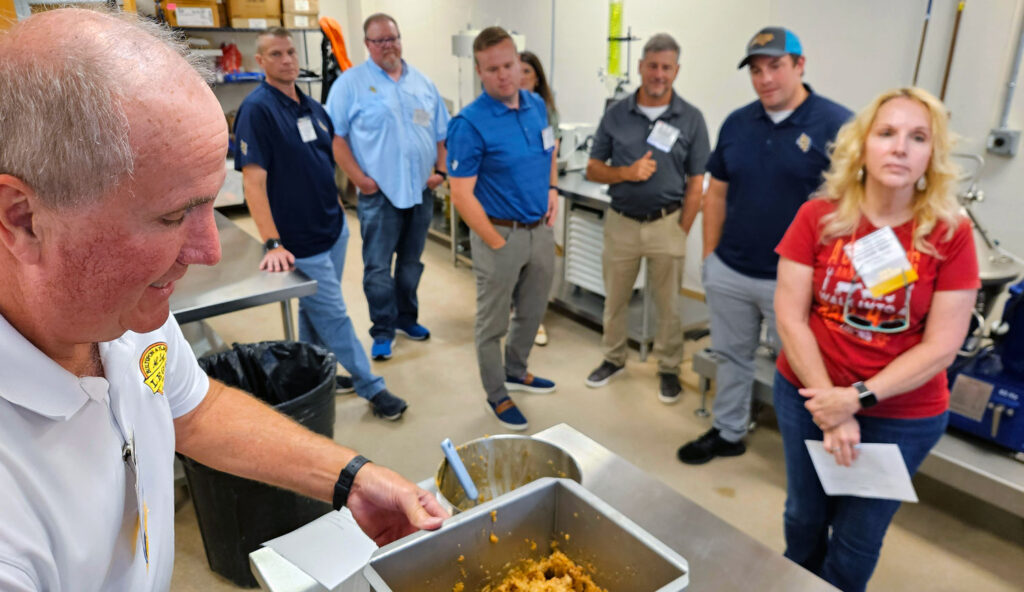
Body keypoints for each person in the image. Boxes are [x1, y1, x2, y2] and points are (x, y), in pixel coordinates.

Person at [0, 10, 446, 590]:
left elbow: (194, 410)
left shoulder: (122, 315)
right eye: (172, 215)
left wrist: (350, 477)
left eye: (209, 204)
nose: (209, 249)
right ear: (23, 218)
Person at [773, 87, 978, 592]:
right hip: (808, 397)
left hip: (902, 417)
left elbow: (942, 346)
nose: (900, 147)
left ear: (933, 155)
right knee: (803, 517)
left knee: (856, 540)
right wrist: (829, 403)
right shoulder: (817, 218)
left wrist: (856, 399)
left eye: (917, 137)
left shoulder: (951, 235)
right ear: (863, 146)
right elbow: (790, 315)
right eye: (886, 133)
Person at [678, 27, 852, 464]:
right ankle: (728, 430)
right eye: (756, 70)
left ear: (800, 65)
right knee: (731, 357)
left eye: (775, 66)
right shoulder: (738, 123)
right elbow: (716, 191)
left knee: (801, 371)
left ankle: (808, 451)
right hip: (733, 270)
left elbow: (854, 208)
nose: (765, 79)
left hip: (795, 283)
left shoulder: (838, 125)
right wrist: (710, 258)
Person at [235, 28, 409, 421]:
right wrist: (272, 242)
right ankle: (372, 387)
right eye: (276, 54)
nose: (287, 60)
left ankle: (314, 373)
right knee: (334, 313)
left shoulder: (312, 107)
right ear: (260, 62)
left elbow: (325, 160)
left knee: (313, 312)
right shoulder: (258, 110)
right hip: (298, 241)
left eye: (291, 52)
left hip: (332, 229)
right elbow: (253, 181)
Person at [583, 33, 710, 404]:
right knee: (616, 300)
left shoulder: (691, 119)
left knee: (668, 306)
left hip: (666, 224)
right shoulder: (616, 114)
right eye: (652, 66)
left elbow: (698, 181)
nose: (658, 74)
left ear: (676, 71)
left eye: (666, 67)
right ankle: (613, 358)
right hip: (621, 222)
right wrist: (626, 173)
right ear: (640, 67)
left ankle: (668, 368)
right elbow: (593, 168)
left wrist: (681, 229)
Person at [447, 26, 559, 431]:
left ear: (519, 62)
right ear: (480, 71)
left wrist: (552, 188)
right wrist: (494, 240)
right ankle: (497, 392)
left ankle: (518, 369)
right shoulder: (469, 124)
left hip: (539, 231)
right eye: (492, 69)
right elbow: (460, 194)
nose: (503, 75)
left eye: (509, 65)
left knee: (532, 311)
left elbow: (550, 149)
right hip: (500, 234)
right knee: (492, 323)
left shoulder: (535, 106)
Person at [325, 13, 450, 361]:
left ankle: (406, 319)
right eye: (379, 40)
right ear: (367, 45)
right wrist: (360, 180)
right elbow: (337, 138)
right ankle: (382, 329)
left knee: (411, 264)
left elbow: (442, 133)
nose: (387, 46)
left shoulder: (422, 83)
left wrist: (440, 170)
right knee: (378, 269)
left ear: (400, 39)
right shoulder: (350, 84)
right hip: (379, 195)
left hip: (421, 192)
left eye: (392, 38)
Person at [519, 50, 558, 347]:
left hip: (537, 196)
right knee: (509, 261)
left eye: (526, 72)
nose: (519, 78)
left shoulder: (544, 111)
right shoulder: (499, 110)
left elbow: (550, 154)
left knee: (538, 265)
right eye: (513, 70)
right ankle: (511, 312)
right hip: (507, 199)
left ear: (537, 79)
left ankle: (534, 318)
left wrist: (552, 189)